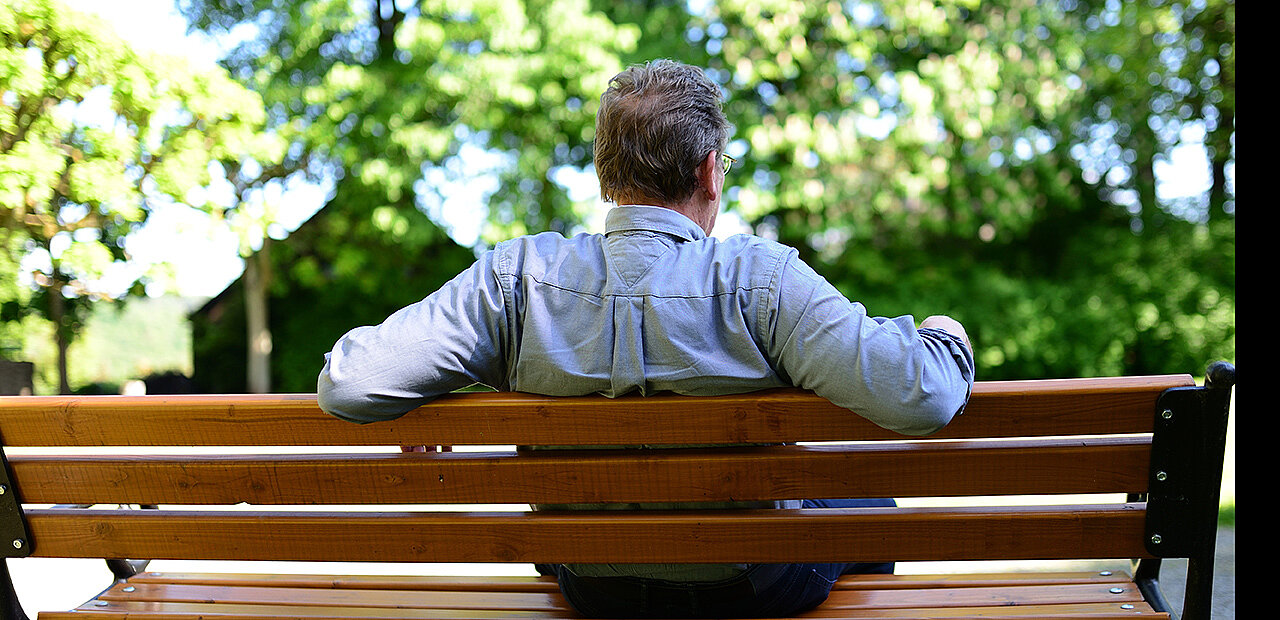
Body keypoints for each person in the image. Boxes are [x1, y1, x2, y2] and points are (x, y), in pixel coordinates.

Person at [317, 58, 975, 618]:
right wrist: (945, 333)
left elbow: (349, 382)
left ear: (607, 174)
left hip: (593, 585)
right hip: (751, 585)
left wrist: (441, 387)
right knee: (866, 501)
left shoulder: (518, 277)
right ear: (710, 171)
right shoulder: (759, 278)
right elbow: (919, 397)